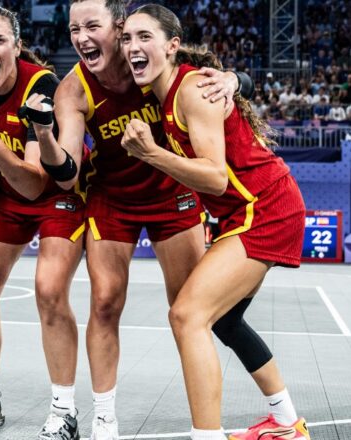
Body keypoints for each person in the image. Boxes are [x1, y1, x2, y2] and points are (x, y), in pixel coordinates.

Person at [24, 1, 256, 438]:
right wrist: (42, 136)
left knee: (192, 313)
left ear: (117, 27)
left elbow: (213, 76)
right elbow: (68, 174)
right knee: (105, 303)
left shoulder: (150, 56)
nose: (81, 37)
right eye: (74, 29)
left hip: (173, 193)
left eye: (92, 26)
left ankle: (227, 419)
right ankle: (104, 419)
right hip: (112, 198)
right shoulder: (73, 90)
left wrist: (233, 79)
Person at [120, 5, 309, 440]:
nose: (133, 46)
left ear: (171, 46)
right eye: (127, 38)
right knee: (222, 321)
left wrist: (150, 154)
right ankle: (285, 422)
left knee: (187, 316)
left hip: (264, 208)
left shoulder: (188, 90)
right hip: (245, 213)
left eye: (144, 37)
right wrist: (237, 79)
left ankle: (206, 435)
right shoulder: (168, 92)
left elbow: (216, 176)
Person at [0, 6, 85, 440]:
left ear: (16, 45)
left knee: (48, 291)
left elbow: (34, 184)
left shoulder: (39, 87)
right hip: (5, 199)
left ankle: (64, 411)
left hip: (55, 196)